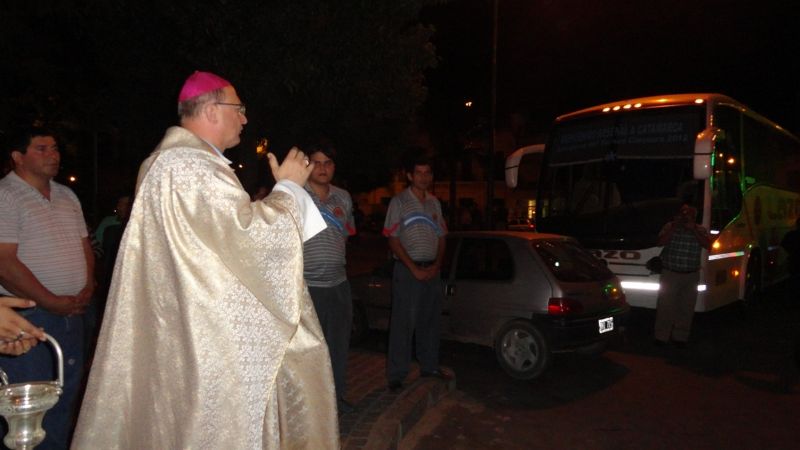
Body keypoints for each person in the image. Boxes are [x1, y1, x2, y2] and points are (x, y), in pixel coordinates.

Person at [71, 71, 338, 449]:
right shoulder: (189, 166)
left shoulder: (171, 164)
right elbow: (252, 239)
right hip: (203, 341)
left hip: (185, 325)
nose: (245, 119)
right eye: (239, 108)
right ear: (212, 110)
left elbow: (219, 246)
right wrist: (291, 188)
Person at [0, 126, 95, 450]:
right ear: (17, 157)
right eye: (41, 148)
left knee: (65, 398)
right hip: (29, 319)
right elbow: (5, 264)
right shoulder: (6, 195)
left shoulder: (67, 195)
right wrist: (50, 300)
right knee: (28, 406)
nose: (53, 155)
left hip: (71, 315)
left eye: (54, 148)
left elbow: (85, 246)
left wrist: (87, 285)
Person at [383, 151, 449, 392]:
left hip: (431, 269)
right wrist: (413, 268)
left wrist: (436, 265)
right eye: (418, 173)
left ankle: (429, 366)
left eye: (427, 172)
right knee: (403, 323)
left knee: (430, 321)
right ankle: (397, 374)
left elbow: (442, 237)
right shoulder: (399, 202)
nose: (423, 177)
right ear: (410, 176)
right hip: (407, 271)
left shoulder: (434, 203)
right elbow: (392, 239)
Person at [302, 145, 357, 414]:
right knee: (309, 352)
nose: (322, 168)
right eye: (317, 162)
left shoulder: (343, 197)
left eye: (328, 163)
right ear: (307, 164)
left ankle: (336, 400)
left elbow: (345, 234)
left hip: (338, 286)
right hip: (307, 288)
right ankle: (311, 408)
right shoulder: (296, 195)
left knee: (338, 347)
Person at [653, 204, 712, 348]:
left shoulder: (700, 230)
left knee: (686, 308)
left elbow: (708, 245)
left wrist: (694, 231)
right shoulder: (670, 226)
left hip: (691, 275)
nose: (685, 216)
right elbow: (660, 242)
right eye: (683, 213)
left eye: (688, 214)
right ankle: (661, 337)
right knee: (665, 307)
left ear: (694, 217)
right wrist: (674, 227)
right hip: (670, 273)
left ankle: (680, 338)